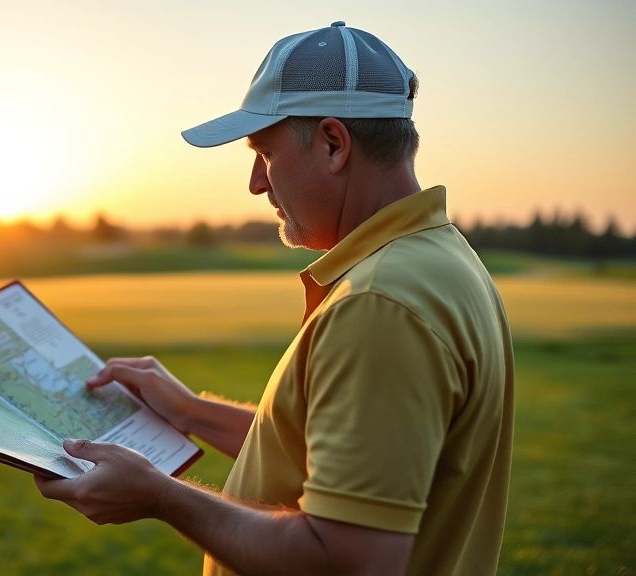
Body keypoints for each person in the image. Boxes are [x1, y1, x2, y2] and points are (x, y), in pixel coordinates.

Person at [35, 21, 514, 576]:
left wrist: (161, 497)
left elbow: (350, 560)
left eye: (264, 152)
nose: (256, 184)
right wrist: (190, 412)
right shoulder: (439, 258)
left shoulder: (380, 305)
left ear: (334, 144)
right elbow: (344, 459)